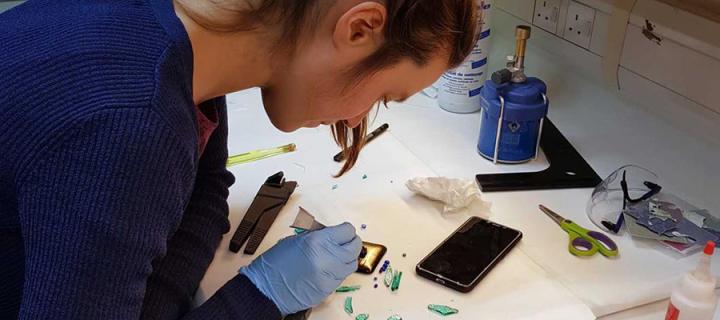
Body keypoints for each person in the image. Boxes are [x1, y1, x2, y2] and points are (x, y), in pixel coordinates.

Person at [0, 0, 478, 319]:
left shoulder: (189, 52)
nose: (356, 122)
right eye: (384, 95)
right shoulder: (131, 122)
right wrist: (256, 299)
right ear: (359, 28)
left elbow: (204, 195)